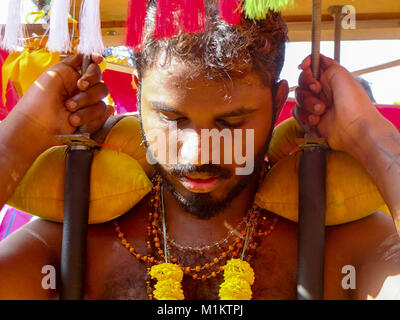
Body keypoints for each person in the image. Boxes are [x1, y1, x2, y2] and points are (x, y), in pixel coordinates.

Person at [0, 2, 400, 300]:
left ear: (279, 102)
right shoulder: (68, 241)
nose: (198, 152)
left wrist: (368, 133)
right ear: (138, 96)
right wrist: (23, 134)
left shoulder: (345, 244)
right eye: (172, 118)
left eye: (231, 122)